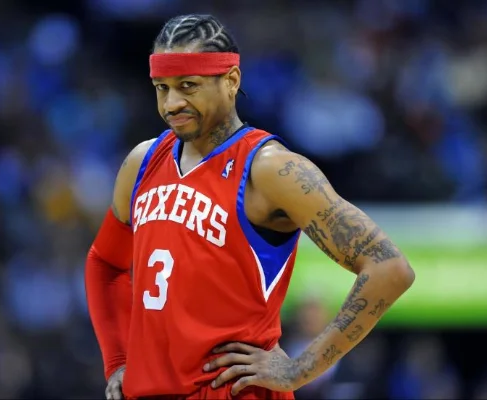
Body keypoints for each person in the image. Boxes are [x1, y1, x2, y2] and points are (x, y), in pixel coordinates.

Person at [85, 14, 415, 400]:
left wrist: (300, 368)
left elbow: (389, 267)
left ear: (231, 80)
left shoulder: (270, 169)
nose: (172, 103)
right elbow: (104, 263)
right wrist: (117, 360)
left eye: (188, 86)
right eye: (162, 88)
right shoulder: (142, 162)